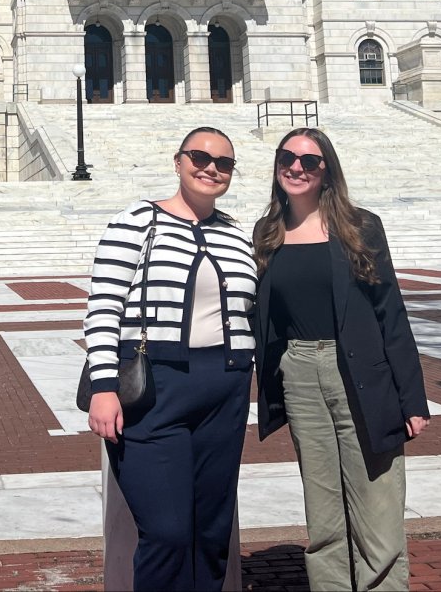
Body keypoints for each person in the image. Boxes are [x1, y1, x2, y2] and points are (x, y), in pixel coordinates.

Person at [252, 127, 429, 592]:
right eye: (287, 158)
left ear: (327, 169)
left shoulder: (360, 226)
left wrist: (412, 399)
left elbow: (391, 312)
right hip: (299, 374)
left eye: (310, 161)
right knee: (324, 508)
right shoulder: (267, 232)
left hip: (360, 373)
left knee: (377, 505)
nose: (297, 167)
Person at [84, 126, 258, 592]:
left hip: (225, 388)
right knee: (166, 530)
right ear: (178, 161)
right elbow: (104, 306)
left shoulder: (237, 234)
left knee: (210, 530)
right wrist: (103, 387)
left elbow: (251, 310)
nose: (211, 168)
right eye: (199, 156)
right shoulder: (137, 221)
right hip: (153, 387)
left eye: (223, 162)